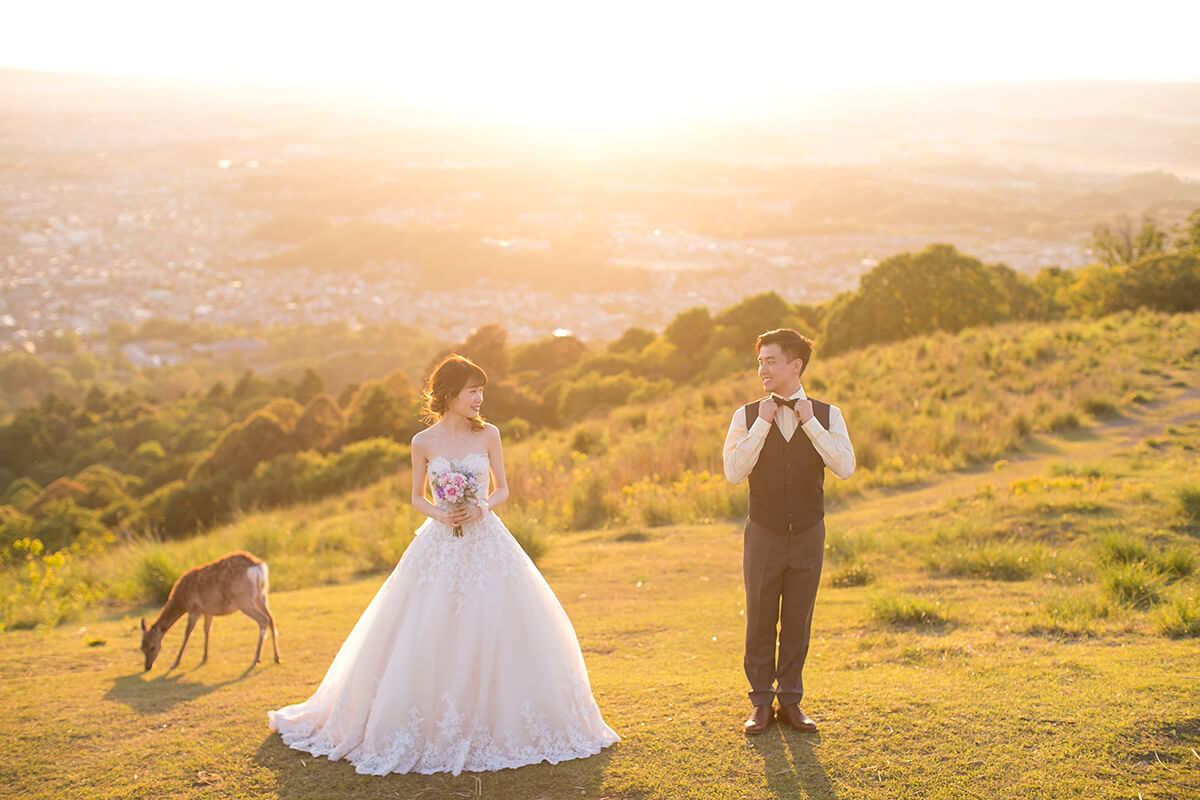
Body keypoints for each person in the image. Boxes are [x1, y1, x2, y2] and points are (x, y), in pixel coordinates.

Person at [269, 354, 618, 775]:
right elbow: (416, 497)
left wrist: (482, 508)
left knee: (500, 622)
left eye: (481, 390)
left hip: (487, 539)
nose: (480, 398)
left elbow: (503, 488)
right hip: (440, 541)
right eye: (473, 391)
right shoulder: (423, 443)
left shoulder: (489, 434)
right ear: (450, 394)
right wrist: (441, 514)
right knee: (429, 625)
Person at [722, 329, 855, 735]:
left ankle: (791, 702)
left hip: (809, 533)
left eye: (771, 360)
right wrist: (762, 426)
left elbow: (845, 467)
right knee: (760, 618)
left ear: (795, 365)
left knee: (798, 620)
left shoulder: (828, 415)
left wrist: (811, 424)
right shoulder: (745, 416)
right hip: (763, 533)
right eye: (760, 361)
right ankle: (760, 702)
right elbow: (733, 471)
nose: (762, 368)